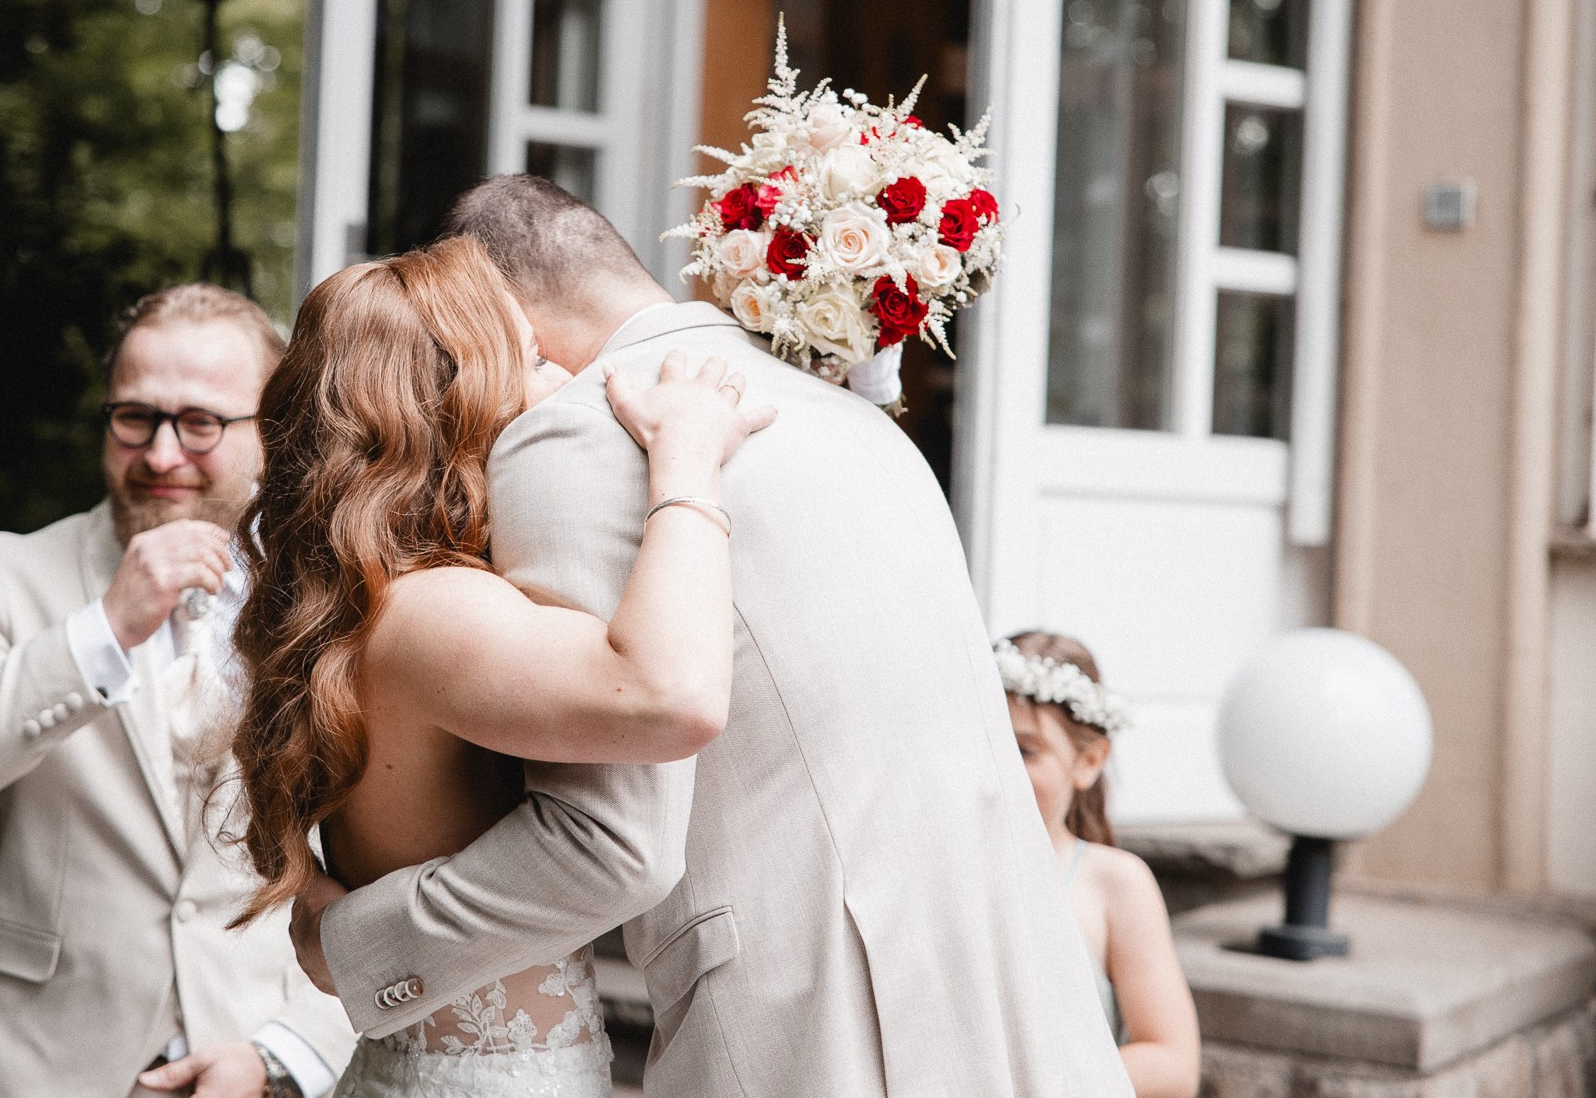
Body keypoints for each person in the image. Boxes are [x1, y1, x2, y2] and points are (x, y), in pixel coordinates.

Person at [292, 175, 1135, 1097]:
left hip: (816, 1029)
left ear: (491, 312)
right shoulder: (856, 419)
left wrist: (357, 947)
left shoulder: (576, 435)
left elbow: (610, 842)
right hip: (1018, 1009)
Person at [219, 235, 770, 1098]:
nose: (568, 380)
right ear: (457, 400)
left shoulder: (365, 602)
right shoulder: (430, 610)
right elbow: (669, 694)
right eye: (535, 359)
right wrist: (687, 461)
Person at [0, 283, 354, 1098]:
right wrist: (102, 630)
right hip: (21, 1070)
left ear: (274, 428)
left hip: (253, 1062)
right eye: (135, 417)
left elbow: (400, 868)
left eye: (200, 422)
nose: (160, 454)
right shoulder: (6, 572)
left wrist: (288, 1052)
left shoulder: (339, 601)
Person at [999, 632, 1201, 1098]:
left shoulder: (1113, 884)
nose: (999, 768)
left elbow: (1172, 1062)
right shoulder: (934, 876)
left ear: (1088, 761)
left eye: (1025, 750)